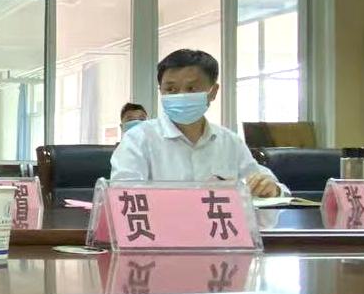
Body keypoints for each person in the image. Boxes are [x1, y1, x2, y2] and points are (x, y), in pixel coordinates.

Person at [111, 49, 286, 198]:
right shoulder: (138, 139)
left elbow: (269, 191)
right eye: (170, 89)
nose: (180, 95)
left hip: (219, 227)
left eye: (191, 88)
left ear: (213, 92)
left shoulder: (230, 142)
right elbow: (124, 198)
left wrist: (271, 190)